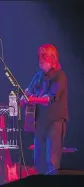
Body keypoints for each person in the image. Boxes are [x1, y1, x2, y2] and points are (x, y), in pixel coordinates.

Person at [21, 44, 68, 175]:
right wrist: (21, 99)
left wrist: (32, 99)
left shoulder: (60, 76)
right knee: (38, 161)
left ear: (53, 58)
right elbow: (27, 92)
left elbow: (50, 100)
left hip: (54, 123)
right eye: (39, 55)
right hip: (39, 124)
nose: (40, 59)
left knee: (51, 162)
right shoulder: (38, 76)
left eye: (44, 56)